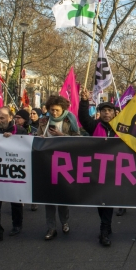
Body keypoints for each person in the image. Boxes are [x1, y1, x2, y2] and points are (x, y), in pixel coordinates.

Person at [37, 95, 81, 240]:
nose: (54, 113)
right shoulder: (44, 121)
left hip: (65, 162)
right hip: (47, 162)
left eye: (56, 110)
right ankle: (51, 228)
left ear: (63, 109)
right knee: (49, 197)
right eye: (51, 110)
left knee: (62, 196)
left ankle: (64, 222)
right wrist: (40, 139)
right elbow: (36, 137)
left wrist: (62, 135)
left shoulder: (70, 120)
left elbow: (79, 139)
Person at [78, 88, 117, 247]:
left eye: (110, 111)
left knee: (108, 199)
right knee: (100, 200)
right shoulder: (94, 126)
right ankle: (106, 225)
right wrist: (84, 101)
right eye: (104, 111)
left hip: (115, 171)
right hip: (97, 170)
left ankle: (104, 230)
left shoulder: (121, 127)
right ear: (100, 113)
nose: (107, 113)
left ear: (114, 113)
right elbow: (83, 118)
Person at [0, 107, 27, 247]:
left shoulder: (19, 131)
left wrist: (13, 140)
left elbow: (25, 148)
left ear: (10, 118)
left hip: (13, 173)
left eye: (2, 117)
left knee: (15, 200)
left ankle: (17, 224)